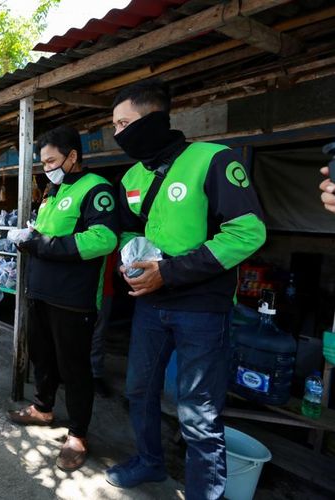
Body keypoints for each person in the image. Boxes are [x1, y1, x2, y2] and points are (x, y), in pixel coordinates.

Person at [105, 80, 266, 500]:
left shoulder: (212, 159)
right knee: (139, 389)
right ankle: (149, 462)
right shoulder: (131, 176)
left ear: (155, 118)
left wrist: (170, 272)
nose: (118, 134)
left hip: (202, 308)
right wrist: (131, 260)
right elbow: (127, 230)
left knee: (198, 413)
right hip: (149, 304)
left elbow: (246, 233)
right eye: (114, 126)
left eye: (125, 123)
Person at [8, 125, 118, 472]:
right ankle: (43, 408)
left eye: (52, 160)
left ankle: (78, 434)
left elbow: (103, 239)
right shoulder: (52, 193)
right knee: (43, 358)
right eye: (42, 162)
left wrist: (42, 244)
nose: (47, 168)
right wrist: (30, 236)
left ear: (72, 157)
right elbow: (48, 235)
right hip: (41, 292)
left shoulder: (96, 189)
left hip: (73, 299)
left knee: (74, 368)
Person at [91, 250, 118, 398]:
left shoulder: (112, 231)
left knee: (98, 334)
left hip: (104, 288)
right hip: (76, 286)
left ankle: (95, 374)